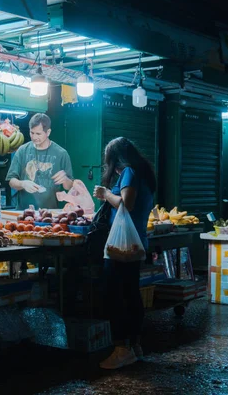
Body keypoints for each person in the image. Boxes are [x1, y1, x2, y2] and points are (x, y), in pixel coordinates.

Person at [93, 137, 156, 370]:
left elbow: (126, 204)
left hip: (121, 246)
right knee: (131, 294)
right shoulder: (145, 173)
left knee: (114, 295)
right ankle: (135, 346)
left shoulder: (129, 172)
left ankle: (121, 349)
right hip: (136, 242)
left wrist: (105, 193)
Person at [6, 113, 73, 210]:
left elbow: (69, 186)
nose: (34, 137)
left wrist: (65, 179)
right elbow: (11, 181)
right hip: (24, 212)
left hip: (49, 213)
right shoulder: (22, 150)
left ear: (48, 132)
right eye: (32, 133)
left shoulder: (61, 153)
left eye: (38, 134)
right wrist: (23, 184)